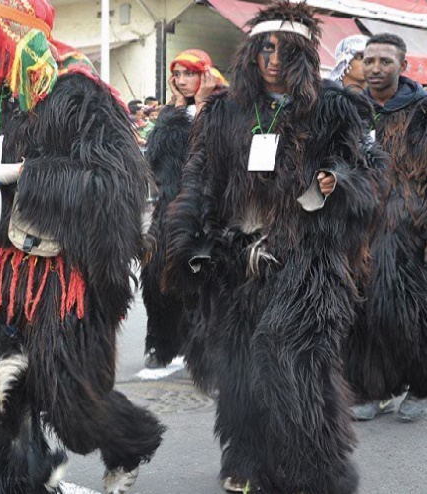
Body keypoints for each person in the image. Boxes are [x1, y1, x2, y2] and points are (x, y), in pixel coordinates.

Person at [0, 1, 164, 492]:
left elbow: (113, 184)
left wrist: (25, 174)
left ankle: (127, 446)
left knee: (73, 404)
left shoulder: (79, 91)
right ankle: (16, 479)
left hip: (62, 273)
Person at [162, 3, 383, 492]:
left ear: (304, 53)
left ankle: (317, 472)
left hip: (308, 261)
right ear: (251, 53)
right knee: (239, 370)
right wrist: (194, 238)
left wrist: (337, 180)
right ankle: (246, 460)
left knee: (297, 366)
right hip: (238, 261)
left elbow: (367, 170)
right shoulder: (224, 112)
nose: (274, 59)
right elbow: (200, 179)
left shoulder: (333, 108)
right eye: (265, 47)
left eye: (285, 50)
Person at [344, 33, 427, 423]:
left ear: (403, 66)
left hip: (407, 223)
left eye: (385, 61)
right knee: (358, 310)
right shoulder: (351, 110)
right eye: (370, 60)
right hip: (356, 223)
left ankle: (420, 384)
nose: (376, 68)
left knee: (403, 308)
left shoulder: (420, 111)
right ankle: (371, 388)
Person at [141, 49, 227, 374]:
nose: (181, 80)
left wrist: (203, 106)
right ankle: (161, 343)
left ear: (204, 74)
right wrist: (177, 109)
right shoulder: (169, 114)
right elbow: (155, 157)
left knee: (203, 284)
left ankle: (207, 351)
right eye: (176, 75)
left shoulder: (222, 108)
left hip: (206, 210)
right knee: (155, 279)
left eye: (188, 73)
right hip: (167, 210)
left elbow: (214, 153)